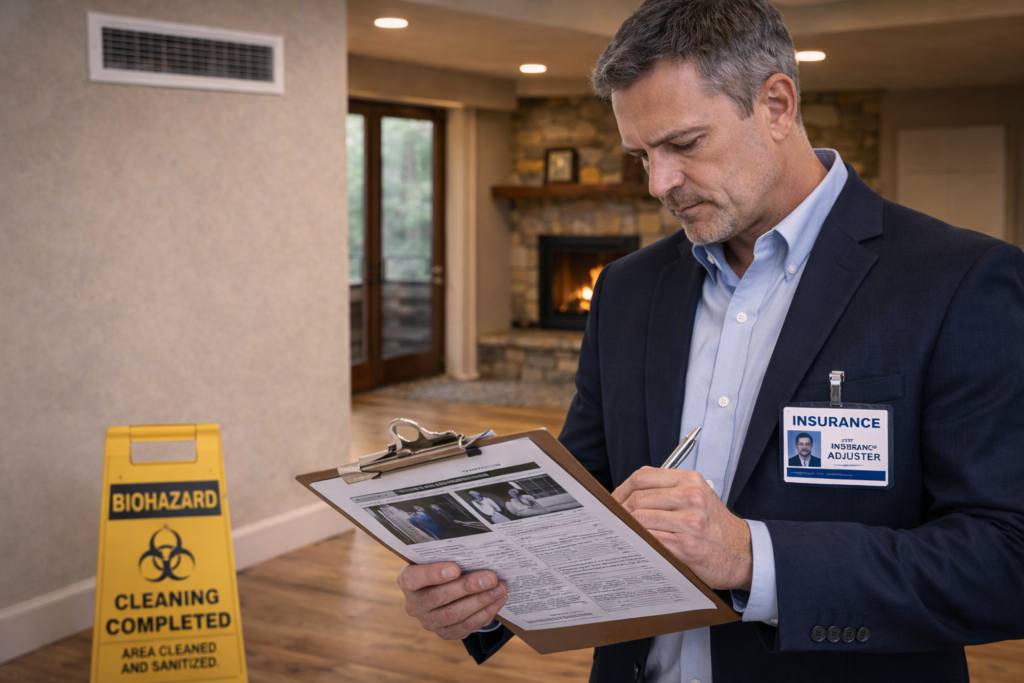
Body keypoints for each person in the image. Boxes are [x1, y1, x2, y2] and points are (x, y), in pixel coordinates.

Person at [395, 1, 1024, 681]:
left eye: (684, 145)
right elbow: (582, 500)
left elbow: (1006, 559)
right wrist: (481, 592)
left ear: (777, 105)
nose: (658, 184)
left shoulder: (961, 279)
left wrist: (754, 556)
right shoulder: (627, 290)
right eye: (641, 155)